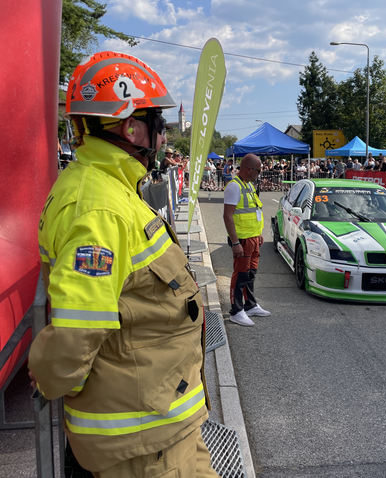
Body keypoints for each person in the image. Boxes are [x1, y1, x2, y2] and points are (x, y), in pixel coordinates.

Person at [28, 52, 218, 478]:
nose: (163, 136)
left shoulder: (110, 189)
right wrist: (60, 381)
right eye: (158, 124)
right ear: (131, 128)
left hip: (159, 430)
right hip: (142, 445)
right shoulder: (100, 209)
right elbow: (74, 337)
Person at [223, 153, 270, 326]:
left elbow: (252, 212)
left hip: (253, 238)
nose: (259, 174)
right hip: (242, 240)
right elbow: (227, 216)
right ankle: (236, 311)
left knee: (250, 274)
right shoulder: (234, 187)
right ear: (248, 169)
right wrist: (235, 243)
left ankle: (250, 305)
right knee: (241, 275)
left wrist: (258, 234)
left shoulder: (248, 185)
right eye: (258, 170)